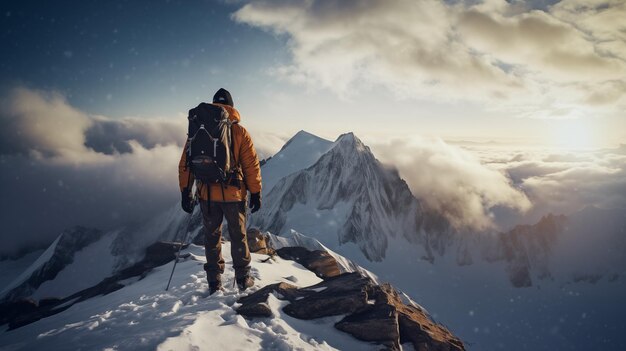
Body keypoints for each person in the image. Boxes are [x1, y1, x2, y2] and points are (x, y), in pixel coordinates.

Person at [178, 88, 262, 295]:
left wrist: (185, 191)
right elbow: (251, 164)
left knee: (212, 237)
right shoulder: (239, 131)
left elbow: (186, 164)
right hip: (234, 193)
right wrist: (256, 191)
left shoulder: (198, 129)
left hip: (206, 194)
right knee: (238, 236)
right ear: (231, 107)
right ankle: (243, 278)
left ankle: (214, 281)